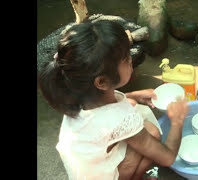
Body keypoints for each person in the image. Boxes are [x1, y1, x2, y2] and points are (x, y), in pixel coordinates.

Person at [38, 19, 189, 180]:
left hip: (85, 169)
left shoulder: (75, 94)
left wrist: (133, 96)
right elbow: (167, 158)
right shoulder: (119, 118)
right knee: (153, 133)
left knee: (131, 105)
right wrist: (177, 121)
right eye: (125, 59)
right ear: (102, 82)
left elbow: (102, 114)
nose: (130, 59)